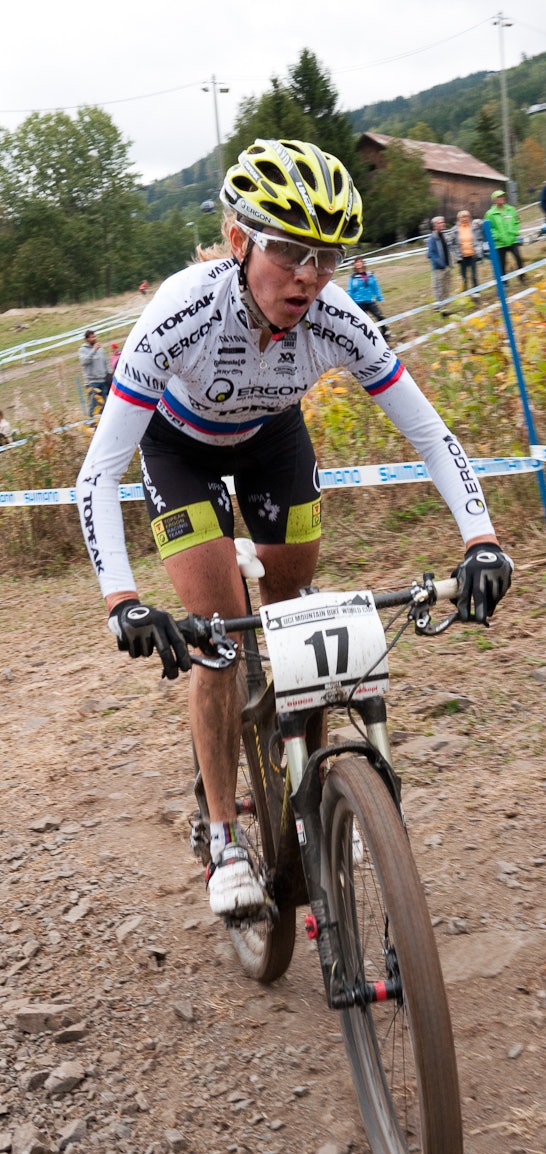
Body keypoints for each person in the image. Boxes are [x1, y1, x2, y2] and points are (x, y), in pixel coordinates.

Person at [75, 138, 512, 920]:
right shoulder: (181, 311)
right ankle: (221, 834)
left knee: (298, 611)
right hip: (178, 450)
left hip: (275, 441)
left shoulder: (339, 319)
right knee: (215, 640)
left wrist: (481, 539)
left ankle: (308, 775)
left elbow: (428, 433)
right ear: (241, 242)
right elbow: (98, 471)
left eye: (327, 257)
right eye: (287, 251)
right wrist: (120, 600)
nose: (308, 275)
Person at [347, 256, 390, 342]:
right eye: (356, 262)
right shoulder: (353, 278)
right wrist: (350, 303)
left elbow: (375, 288)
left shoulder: (370, 275)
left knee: (379, 316)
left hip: (370, 301)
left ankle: (385, 333)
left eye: (359, 261)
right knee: (363, 322)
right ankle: (367, 339)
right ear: (354, 265)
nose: (358, 263)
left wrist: (380, 298)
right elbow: (350, 291)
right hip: (358, 303)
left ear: (363, 263)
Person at [483, 189, 523, 280]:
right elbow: (489, 228)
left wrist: (514, 232)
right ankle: (504, 282)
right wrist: (498, 236)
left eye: (503, 196)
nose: (502, 198)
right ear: (494, 200)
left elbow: (516, 221)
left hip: (512, 240)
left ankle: (522, 277)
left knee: (518, 258)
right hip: (500, 243)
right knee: (502, 263)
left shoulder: (511, 209)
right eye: (499, 197)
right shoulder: (490, 214)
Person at [449, 210, 482, 292]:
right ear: (458, 218)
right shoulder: (454, 230)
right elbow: (450, 243)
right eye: (462, 217)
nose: (464, 218)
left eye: (466, 216)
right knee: (463, 277)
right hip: (462, 257)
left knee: (474, 276)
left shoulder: (474, 227)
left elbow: (482, 226)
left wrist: (479, 222)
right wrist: (455, 254)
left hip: (472, 255)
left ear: (469, 218)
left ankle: (476, 292)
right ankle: (465, 293)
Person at [426, 215, 452, 316]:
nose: (443, 224)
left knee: (446, 288)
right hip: (439, 269)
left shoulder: (444, 235)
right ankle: (440, 308)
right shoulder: (432, 238)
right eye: (441, 223)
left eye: (443, 222)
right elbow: (431, 254)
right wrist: (441, 264)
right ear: (435, 225)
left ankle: (445, 308)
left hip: (447, 267)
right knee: (439, 288)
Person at [78, 330, 111, 399]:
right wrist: (94, 350)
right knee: (95, 406)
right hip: (92, 383)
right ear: (87, 339)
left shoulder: (100, 349)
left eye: (94, 336)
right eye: (92, 337)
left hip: (103, 381)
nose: (94, 338)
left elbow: (105, 362)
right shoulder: (82, 350)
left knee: (105, 404)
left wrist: (109, 374)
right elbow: (84, 362)